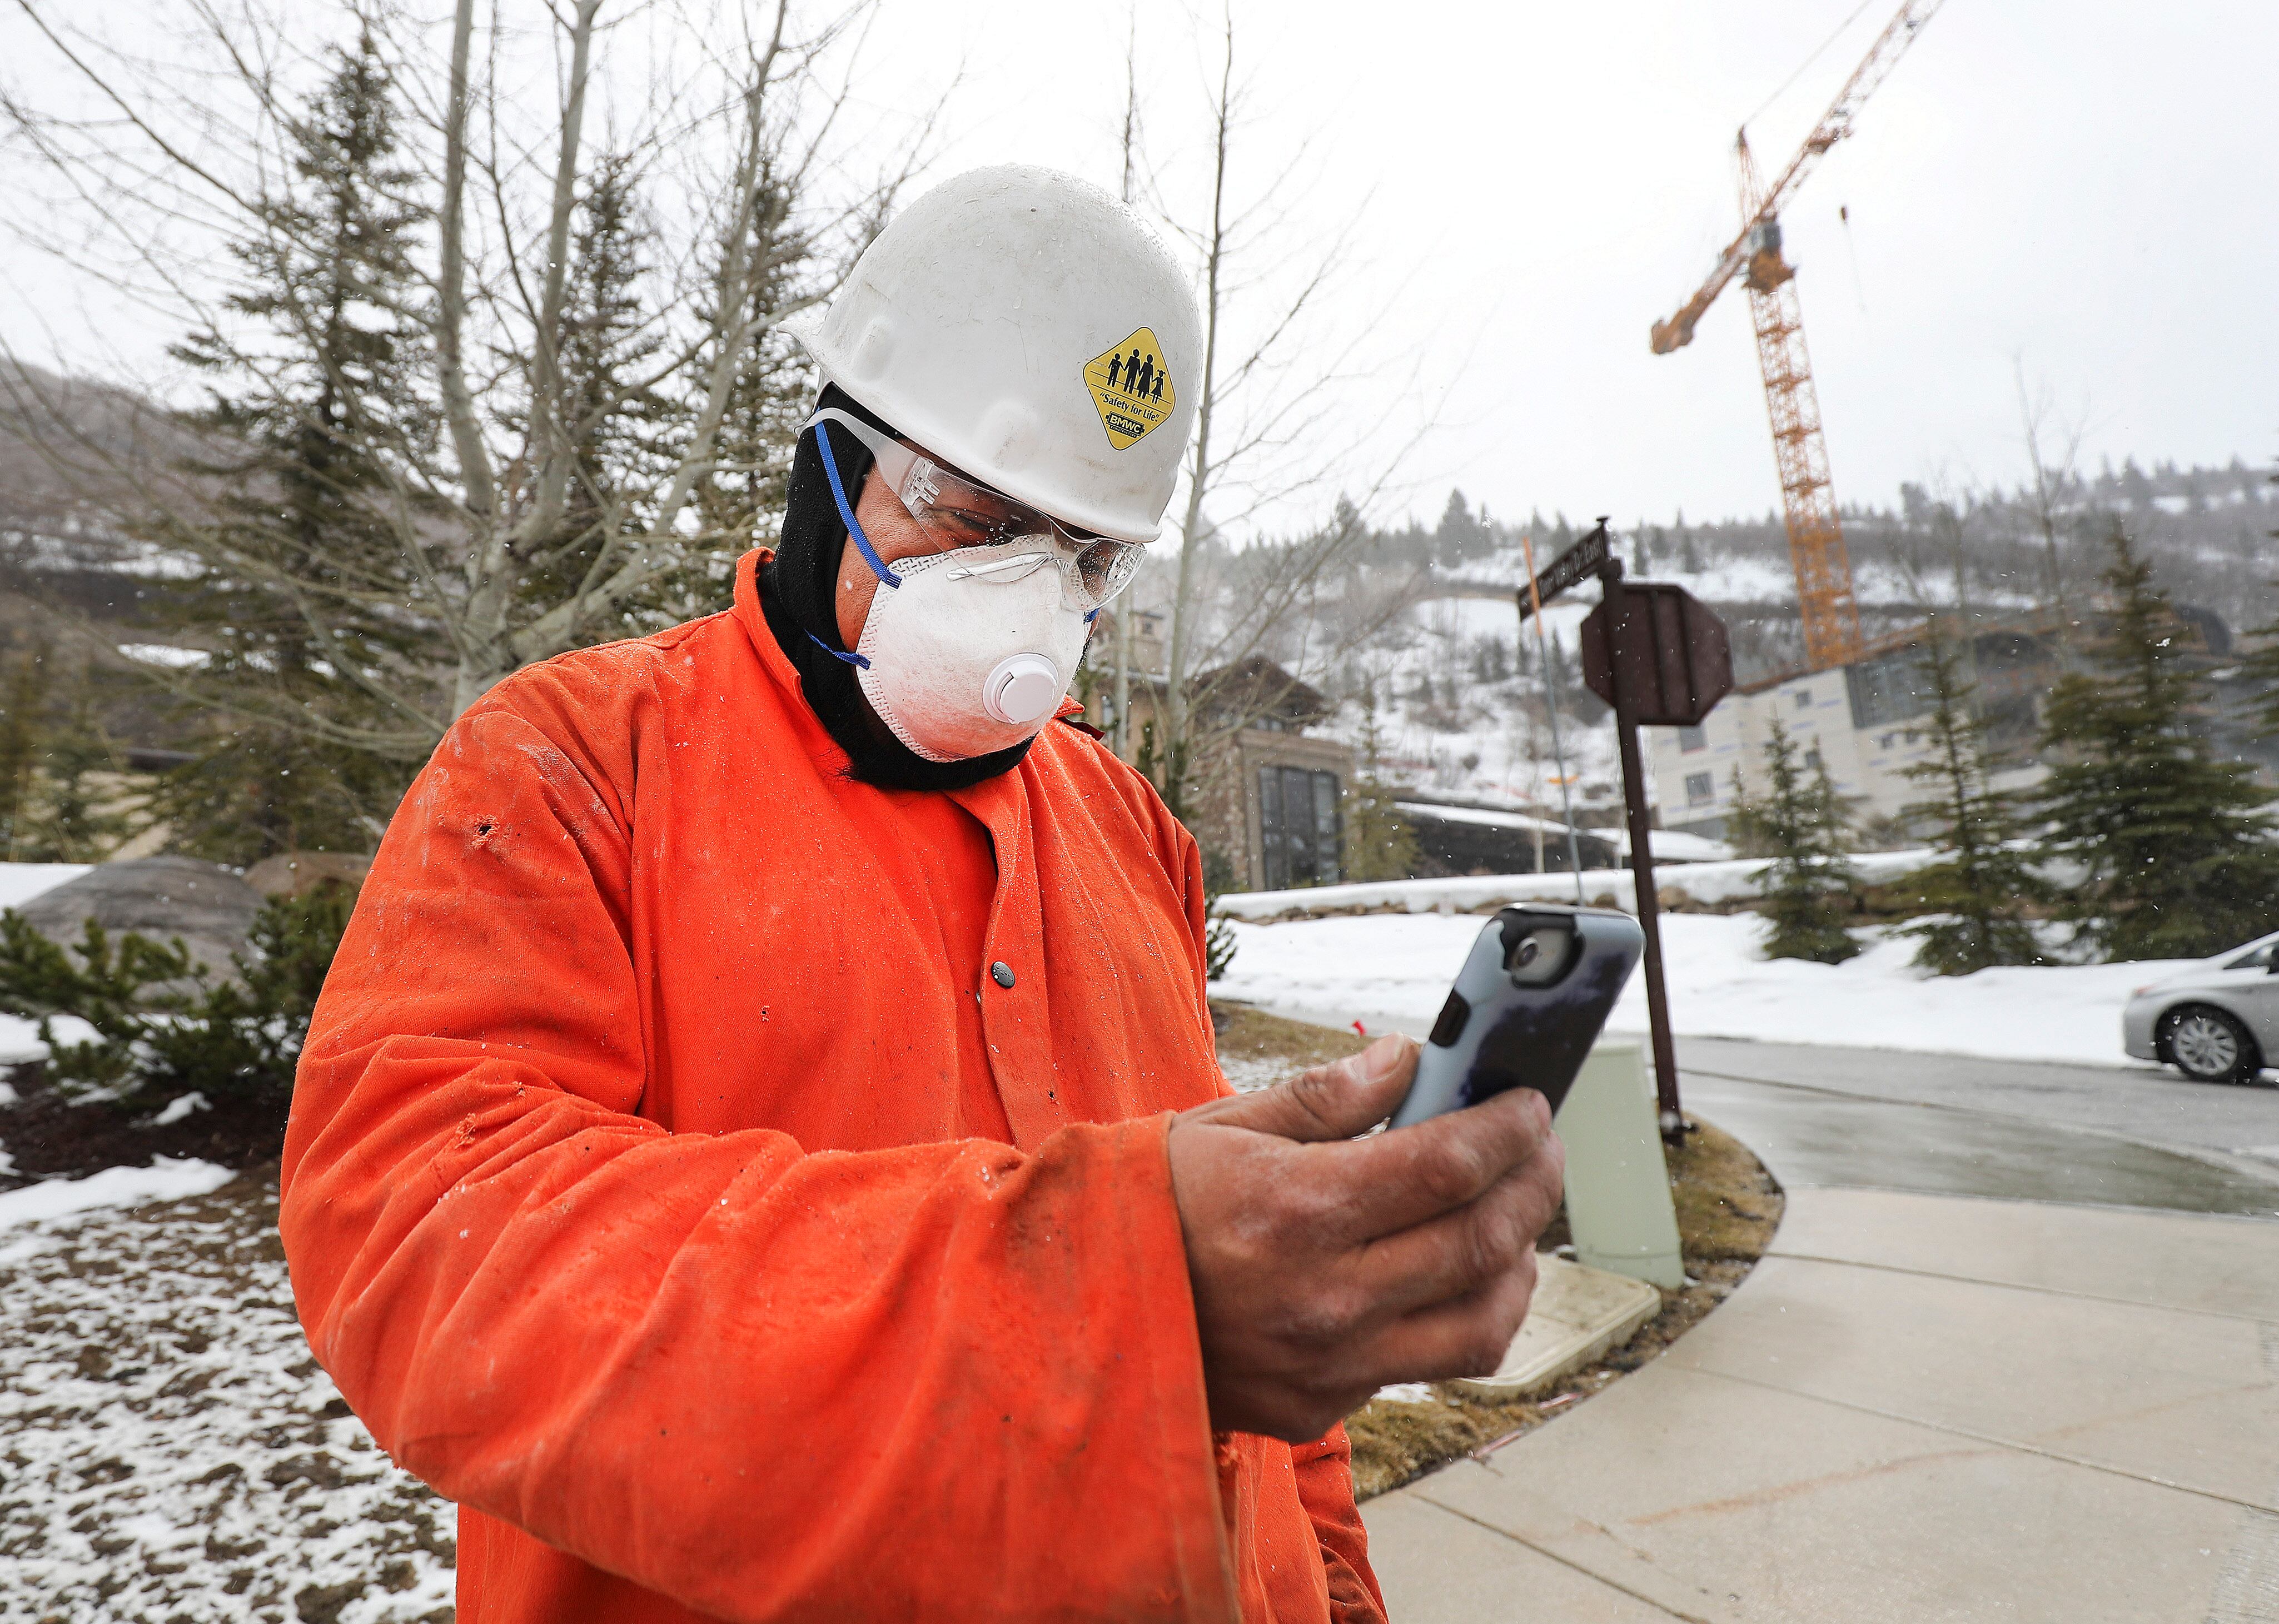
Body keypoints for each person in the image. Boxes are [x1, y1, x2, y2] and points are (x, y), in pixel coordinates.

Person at [279, 166, 1564, 1623]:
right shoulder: (573, 761)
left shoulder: (1129, 826)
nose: (1030, 607)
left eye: (1084, 555)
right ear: (826, 466)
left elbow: (1252, 1331)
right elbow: (426, 1231)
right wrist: (1094, 1303)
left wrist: (1328, 1579)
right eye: (970, 517)